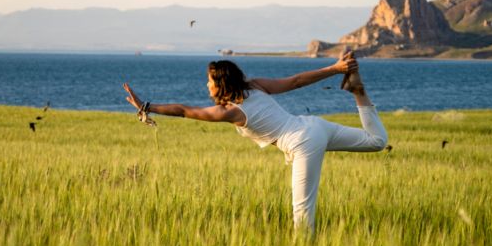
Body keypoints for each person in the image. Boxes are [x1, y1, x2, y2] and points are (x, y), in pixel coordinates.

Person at [123, 52, 388, 232]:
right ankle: (358, 91)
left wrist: (146, 106)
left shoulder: (230, 112)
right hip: (312, 125)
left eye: (208, 81)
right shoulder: (255, 86)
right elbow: (296, 82)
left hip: (302, 143)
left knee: (302, 211)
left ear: (220, 83)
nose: (206, 85)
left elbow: (183, 110)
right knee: (376, 141)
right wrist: (335, 69)